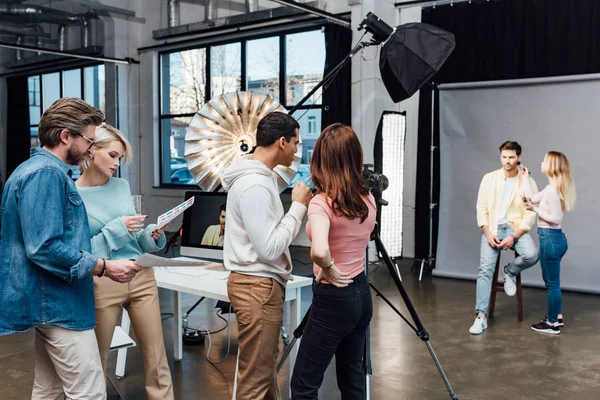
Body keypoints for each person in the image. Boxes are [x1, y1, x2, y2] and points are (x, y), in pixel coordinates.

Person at [0, 98, 141, 400]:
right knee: (89, 393)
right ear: (66, 136)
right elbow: (44, 247)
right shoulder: (46, 175)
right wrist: (103, 266)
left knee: (48, 389)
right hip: (58, 305)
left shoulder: (35, 171)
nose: (92, 149)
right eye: (89, 141)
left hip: (50, 304)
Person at [76, 123, 174, 399]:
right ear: (92, 151)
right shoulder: (74, 196)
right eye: (113, 155)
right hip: (103, 280)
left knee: (157, 358)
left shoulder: (121, 186)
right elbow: (83, 251)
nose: (118, 164)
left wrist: (151, 235)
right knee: (97, 359)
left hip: (141, 276)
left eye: (121, 158)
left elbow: (135, 239)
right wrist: (118, 228)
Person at [222, 111, 312, 400]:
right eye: (296, 143)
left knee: (264, 372)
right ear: (282, 142)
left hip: (259, 287)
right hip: (257, 288)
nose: (297, 151)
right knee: (255, 382)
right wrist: (298, 207)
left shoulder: (261, 178)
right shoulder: (255, 185)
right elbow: (270, 248)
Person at [291, 124, 376, 400]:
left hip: (333, 299)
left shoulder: (321, 203)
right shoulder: (368, 198)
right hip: (362, 295)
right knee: (353, 381)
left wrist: (327, 267)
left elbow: (318, 251)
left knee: (303, 385)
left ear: (321, 159)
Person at [469, 141, 540, 335]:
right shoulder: (489, 178)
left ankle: (510, 271)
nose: (507, 161)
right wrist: (487, 232)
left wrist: (514, 236)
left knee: (532, 255)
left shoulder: (527, 181)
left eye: (511, 157)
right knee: (485, 269)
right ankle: (480, 317)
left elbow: (530, 213)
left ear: (519, 157)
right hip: (492, 228)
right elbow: (481, 208)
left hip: (515, 229)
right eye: (504, 157)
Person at [521, 151, 575, 335]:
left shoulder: (553, 190)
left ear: (551, 165)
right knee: (553, 282)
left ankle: (553, 323)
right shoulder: (552, 187)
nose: (541, 162)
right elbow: (530, 199)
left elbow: (555, 218)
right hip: (554, 239)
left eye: (544, 160)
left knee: (552, 284)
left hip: (550, 239)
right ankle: (556, 317)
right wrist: (525, 178)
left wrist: (535, 210)